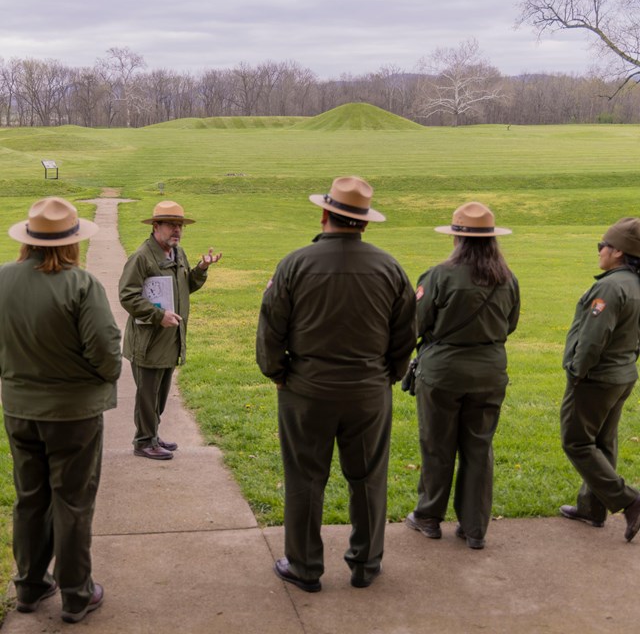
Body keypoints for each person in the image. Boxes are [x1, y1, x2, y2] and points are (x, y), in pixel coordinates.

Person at [256, 176, 416, 591]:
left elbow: (271, 330)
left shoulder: (294, 264)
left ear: (325, 214)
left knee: (305, 478)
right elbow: (404, 337)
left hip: (307, 389)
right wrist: (387, 377)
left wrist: (278, 374)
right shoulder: (389, 268)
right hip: (367, 391)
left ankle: (305, 566)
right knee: (367, 479)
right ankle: (366, 563)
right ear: (363, 223)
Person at [0, 197, 121, 623]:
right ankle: (75, 593)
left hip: (19, 409)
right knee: (72, 502)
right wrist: (100, 378)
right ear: (70, 242)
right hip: (74, 415)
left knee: (30, 498)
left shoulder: (2, 280)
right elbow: (106, 352)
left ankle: (30, 586)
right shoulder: (81, 284)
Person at [405, 202, 520, 550]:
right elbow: (510, 325)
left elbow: (415, 324)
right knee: (479, 448)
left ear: (457, 238)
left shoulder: (438, 275)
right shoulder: (507, 279)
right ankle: (474, 528)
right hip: (489, 372)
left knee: (437, 445)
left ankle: (428, 516)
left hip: (442, 372)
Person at [119, 200, 221, 460]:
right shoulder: (142, 257)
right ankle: (143, 441)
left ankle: (152, 435)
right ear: (156, 226)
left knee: (159, 396)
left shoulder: (178, 253)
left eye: (180, 225)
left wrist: (201, 269)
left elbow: (185, 287)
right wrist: (158, 315)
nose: (177, 230)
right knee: (147, 395)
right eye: (171, 225)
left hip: (170, 339)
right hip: (148, 341)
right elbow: (127, 296)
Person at [559, 217, 640, 541]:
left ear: (618, 252)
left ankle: (630, 500)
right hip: (623, 375)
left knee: (576, 442)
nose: (599, 252)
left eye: (601, 246)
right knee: (603, 442)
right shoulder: (635, 285)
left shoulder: (610, 286)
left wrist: (578, 370)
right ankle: (592, 508)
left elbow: (593, 338)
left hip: (596, 377)